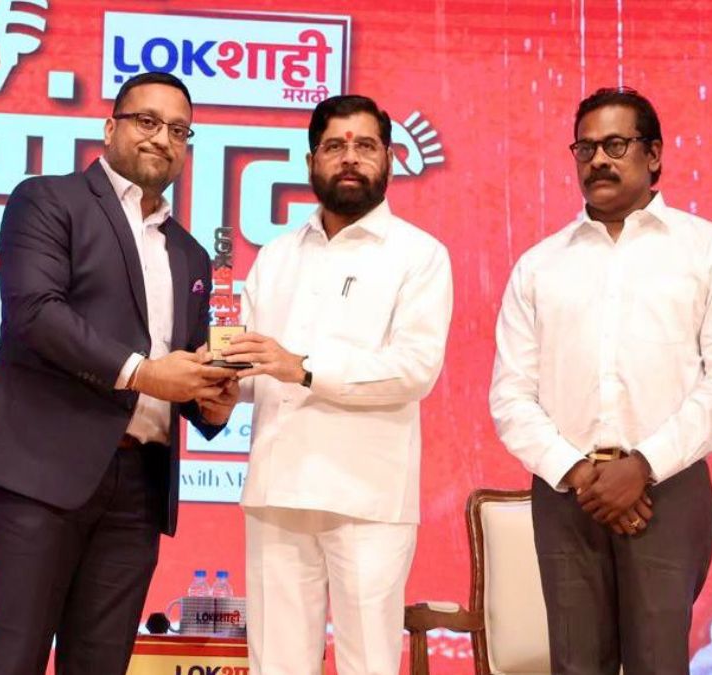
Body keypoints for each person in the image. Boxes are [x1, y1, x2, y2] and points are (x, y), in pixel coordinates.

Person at [0, 72, 239, 675]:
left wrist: (210, 403)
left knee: (101, 665)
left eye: (179, 130)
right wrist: (144, 375)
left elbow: (181, 362)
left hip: (140, 485)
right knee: (15, 656)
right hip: (41, 469)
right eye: (147, 121)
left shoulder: (190, 253)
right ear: (110, 128)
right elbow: (36, 314)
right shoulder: (48, 200)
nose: (162, 138)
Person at [489, 86, 712, 675]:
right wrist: (580, 473)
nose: (598, 161)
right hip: (566, 492)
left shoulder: (707, 250)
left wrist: (643, 466)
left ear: (653, 154)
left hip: (668, 490)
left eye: (616, 145)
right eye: (585, 148)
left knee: (659, 663)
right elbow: (510, 396)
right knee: (575, 665)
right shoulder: (540, 265)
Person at [219, 94, 453, 675]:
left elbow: (413, 369)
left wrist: (301, 366)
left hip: (367, 497)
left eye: (365, 146)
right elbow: (255, 369)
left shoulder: (419, 255)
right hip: (277, 491)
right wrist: (218, 384)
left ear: (389, 160)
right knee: (275, 665)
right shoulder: (276, 256)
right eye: (334, 146)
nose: (350, 158)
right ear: (311, 161)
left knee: (368, 664)